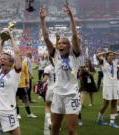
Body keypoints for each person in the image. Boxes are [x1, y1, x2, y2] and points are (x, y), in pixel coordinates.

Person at [40, 1, 82, 135]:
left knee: (71, 130)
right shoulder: (55, 55)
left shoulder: (74, 55)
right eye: (59, 43)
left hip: (72, 96)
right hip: (57, 94)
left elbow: (75, 36)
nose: (61, 45)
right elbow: (46, 38)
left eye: (64, 43)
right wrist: (42, 20)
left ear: (69, 46)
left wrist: (71, 17)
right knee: (54, 129)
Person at [96, 51, 119, 128]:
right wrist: (106, 52)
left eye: (113, 55)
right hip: (107, 86)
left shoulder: (115, 63)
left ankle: (112, 122)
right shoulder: (103, 63)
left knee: (114, 103)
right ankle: (99, 119)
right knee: (105, 104)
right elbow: (97, 56)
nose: (112, 56)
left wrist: (116, 54)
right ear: (107, 56)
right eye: (110, 55)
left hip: (115, 86)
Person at [43, 57, 55, 129]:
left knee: (48, 105)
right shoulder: (61, 66)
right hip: (60, 90)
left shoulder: (48, 68)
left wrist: (41, 82)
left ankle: (50, 122)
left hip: (51, 89)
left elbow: (45, 79)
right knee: (57, 108)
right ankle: (56, 124)